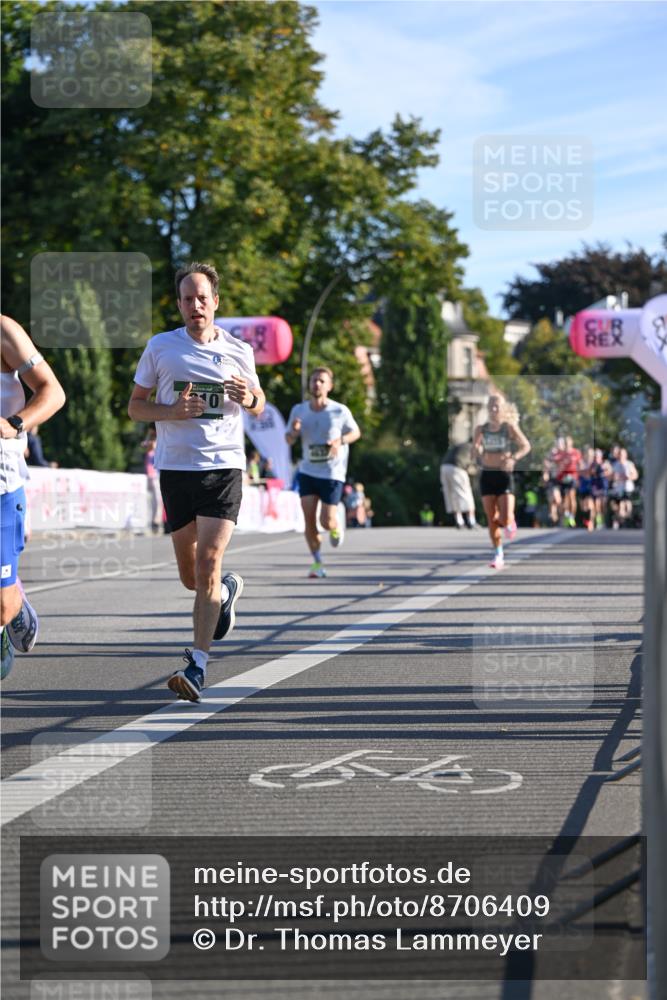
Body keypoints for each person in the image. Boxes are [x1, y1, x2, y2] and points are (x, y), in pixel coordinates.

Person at [128, 262, 265, 702]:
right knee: (192, 577)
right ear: (180, 305)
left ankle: (198, 665)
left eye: (202, 298)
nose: (195, 306)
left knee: (208, 562)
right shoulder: (161, 347)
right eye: (188, 299)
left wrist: (249, 397)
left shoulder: (239, 350)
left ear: (215, 302)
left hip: (223, 468)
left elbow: (259, 403)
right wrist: (171, 411)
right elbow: (135, 406)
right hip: (176, 470)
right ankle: (224, 591)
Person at [1, 314, 66, 679]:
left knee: (2, 606)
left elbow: (52, 392)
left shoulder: (4, 331)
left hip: (2, 482)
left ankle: (12, 598)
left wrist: (14, 424)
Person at [286, 367, 360, 578]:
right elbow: (288, 439)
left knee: (326, 521)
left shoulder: (339, 411)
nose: (317, 384)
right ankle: (317, 563)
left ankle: (335, 526)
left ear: (329, 386)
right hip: (308, 471)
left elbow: (356, 432)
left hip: (332, 472)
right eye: (314, 380)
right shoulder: (299, 410)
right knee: (309, 520)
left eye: (321, 381)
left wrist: (340, 441)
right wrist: (294, 432)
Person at [473, 394, 531, 569]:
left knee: (504, 518)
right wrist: (476, 452)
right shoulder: (481, 429)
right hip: (487, 476)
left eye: (497, 405)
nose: (494, 409)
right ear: (487, 408)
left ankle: (509, 522)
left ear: (503, 408)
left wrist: (513, 458)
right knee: (491, 518)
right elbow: (474, 451)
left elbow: (526, 446)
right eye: (491, 405)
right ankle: (498, 554)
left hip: (504, 476)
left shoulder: (509, 427)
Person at [440, 441, 477, 529]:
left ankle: (459, 521)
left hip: (444, 467)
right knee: (465, 493)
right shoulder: (474, 447)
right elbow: (473, 466)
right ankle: (471, 521)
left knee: (451, 495)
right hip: (457, 468)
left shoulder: (461, 445)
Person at [141, 427, 164, 533]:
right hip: (149, 475)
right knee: (149, 499)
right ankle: (151, 520)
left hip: (156, 475)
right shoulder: (149, 443)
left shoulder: (159, 443)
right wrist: (149, 436)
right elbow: (144, 445)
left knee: (157, 499)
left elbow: (152, 446)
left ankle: (156, 521)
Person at [610, 446, 638, 529]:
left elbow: (635, 475)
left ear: (626, 455)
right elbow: (611, 476)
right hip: (618, 489)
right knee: (618, 505)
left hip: (628, 488)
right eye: (620, 454)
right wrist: (614, 477)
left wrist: (628, 477)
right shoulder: (615, 465)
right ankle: (622, 520)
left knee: (626, 503)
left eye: (623, 454)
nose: (621, 456)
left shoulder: (629, 464)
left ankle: (627, 518)